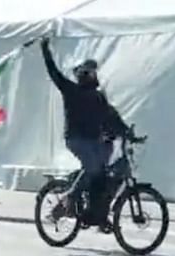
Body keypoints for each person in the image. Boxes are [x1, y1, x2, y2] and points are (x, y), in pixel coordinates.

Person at [40, 35, 126, 231]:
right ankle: (69, 196)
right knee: (94, 169)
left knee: (104, 175)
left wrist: (125, 132)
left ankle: (98, 214)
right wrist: (45, 50)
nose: (93, 76)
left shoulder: (97, 97)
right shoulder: (71, 91)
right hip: (77, 139)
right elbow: (54, 73)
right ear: (82, 75)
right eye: (89, 73)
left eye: (94, 72)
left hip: (94, 140)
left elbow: (110, 116)